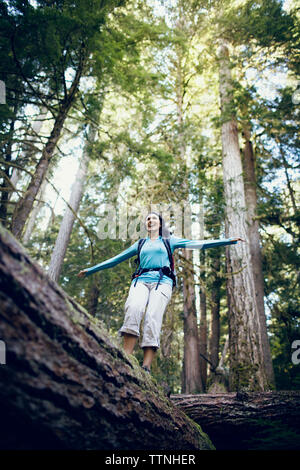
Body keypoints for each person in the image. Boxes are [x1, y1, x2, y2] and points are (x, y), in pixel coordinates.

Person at [78, 212, 244, 374]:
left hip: (163, 281)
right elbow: (115, 260)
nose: (150, 220)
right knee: (133, 308)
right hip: (141, 280)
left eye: (154, 218)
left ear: (160, 223)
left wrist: (228, 241)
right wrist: (91, 270)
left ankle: (146, 367)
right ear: (146, 224)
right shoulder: (140, 244)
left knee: (152, 316)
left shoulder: (169, 240)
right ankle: (125, 357)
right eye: (148, 219)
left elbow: (198, 243)